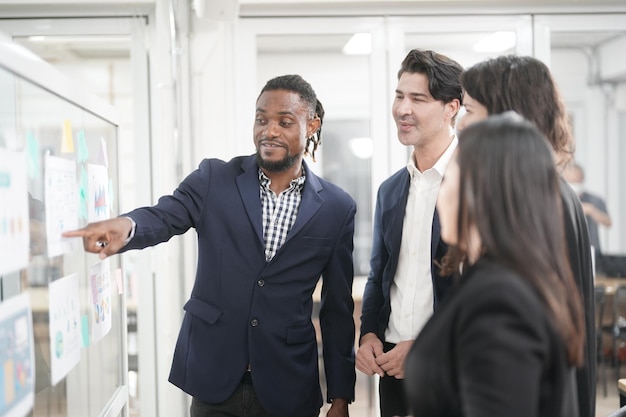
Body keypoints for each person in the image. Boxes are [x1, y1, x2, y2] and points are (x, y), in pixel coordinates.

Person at [63, 74, 357, 417]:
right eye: (261, 119)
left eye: (285, 121)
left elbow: (337, 309)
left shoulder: (337, 207)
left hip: (288, 381)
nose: (269, 130)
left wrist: (340, 397)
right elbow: (164, 215)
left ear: (312, 125)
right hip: (214, 375)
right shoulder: (215, 179)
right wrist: (128, 226)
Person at [404, 113, 585, 417]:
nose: (439, 193)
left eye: (450, 179)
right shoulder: (509, 279)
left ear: (483, 191)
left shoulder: (500, 298)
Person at [458, 55, 596, 417]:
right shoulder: (549, 190)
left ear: (505, 118)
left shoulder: (535, 203)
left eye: (470, 110)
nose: (460, 125)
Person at [356, 49, 463, 417]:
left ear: (452, 107)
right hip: (394, 370)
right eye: (400, 96)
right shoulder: (390, 190)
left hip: (456, 369)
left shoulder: (478, 184)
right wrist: (369, 333)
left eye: (418, 99)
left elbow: (487, 296)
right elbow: (379, 274)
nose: (403, 108)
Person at [563, 162, 612, 256]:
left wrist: (591, 210)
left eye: (576, 181)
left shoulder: (594, 200)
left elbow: (608, 222)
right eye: (570, 181)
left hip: (592, 249)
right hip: (567, 250)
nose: (574, 183)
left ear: (582, 179)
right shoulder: (560, 199)